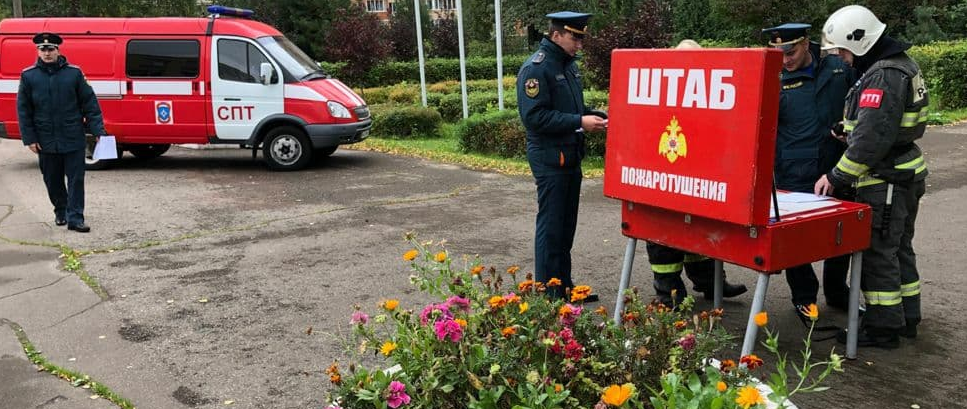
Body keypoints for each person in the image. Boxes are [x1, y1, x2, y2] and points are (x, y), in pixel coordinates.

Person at [815, 5, 929, 348]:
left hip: (886, 180)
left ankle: (882, 328)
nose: (843, 59)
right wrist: (846, 128)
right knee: (898, 249)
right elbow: (879, 126)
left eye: (844, 51)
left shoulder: (883, 74)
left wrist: (835, 177)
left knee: (879, 253)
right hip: (904, 171)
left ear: (859, 41)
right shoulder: (902, 65)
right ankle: (907, 317)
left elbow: (870, 143)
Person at [762, 23, 856, 322]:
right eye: (779, 52)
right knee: (796, 239)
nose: (785, 58)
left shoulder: (837, 66)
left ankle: (837, 292)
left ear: (806, 44)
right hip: (794, 170)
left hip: (838, 165)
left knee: (841, 234)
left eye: (790, 51)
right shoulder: (772, 75)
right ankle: (804, 298)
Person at [645, 39, 748, 307]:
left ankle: (711, 284)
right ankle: (668, 292)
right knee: (664, 232)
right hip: (667, 177)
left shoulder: (711, 89)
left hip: (701, 177)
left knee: (703, 232)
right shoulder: (662, 89)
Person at [517, 11, 606, 301]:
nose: (579, 44)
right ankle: (548, 293)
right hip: (550, 158)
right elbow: (535, 117)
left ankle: (564, 287)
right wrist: (580, 122)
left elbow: (572, 107)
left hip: (570, 156)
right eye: (574, 38)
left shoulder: (567, 66)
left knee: (566, 227)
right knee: (551, 227)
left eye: (581, 38)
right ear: (556, 35)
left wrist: (596, 115)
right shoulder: (536, 69)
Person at [17, 32, 105, 233]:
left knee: (76, 179)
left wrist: (98, 130)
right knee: (52, 180)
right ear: (37, 51)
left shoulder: (74, 74)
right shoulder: (29, 75)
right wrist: (29, 138)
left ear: (58, 50)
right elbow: (24, 110)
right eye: (42, 49)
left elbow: (90, 104)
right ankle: (60, 210)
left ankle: (75, 218)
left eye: (50, 49)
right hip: (45, 139)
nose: (47, 53)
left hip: (72, 137)